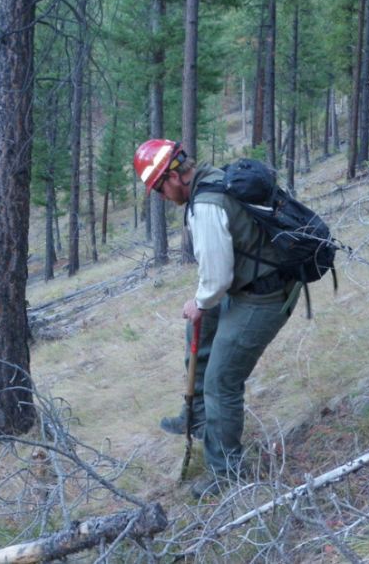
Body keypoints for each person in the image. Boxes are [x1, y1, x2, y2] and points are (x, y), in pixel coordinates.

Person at [133, 138, 297, 497]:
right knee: (201, 325)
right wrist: (202, 306)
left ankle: (225, 475)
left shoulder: (205, 204)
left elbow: (218, 278)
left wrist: (201, 300)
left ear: (174, 176)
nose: (161, 197)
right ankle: (197, 416)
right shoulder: (212, 179)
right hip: (252, 285)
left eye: (159, 188)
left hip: (264, 296)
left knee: (222, 381)